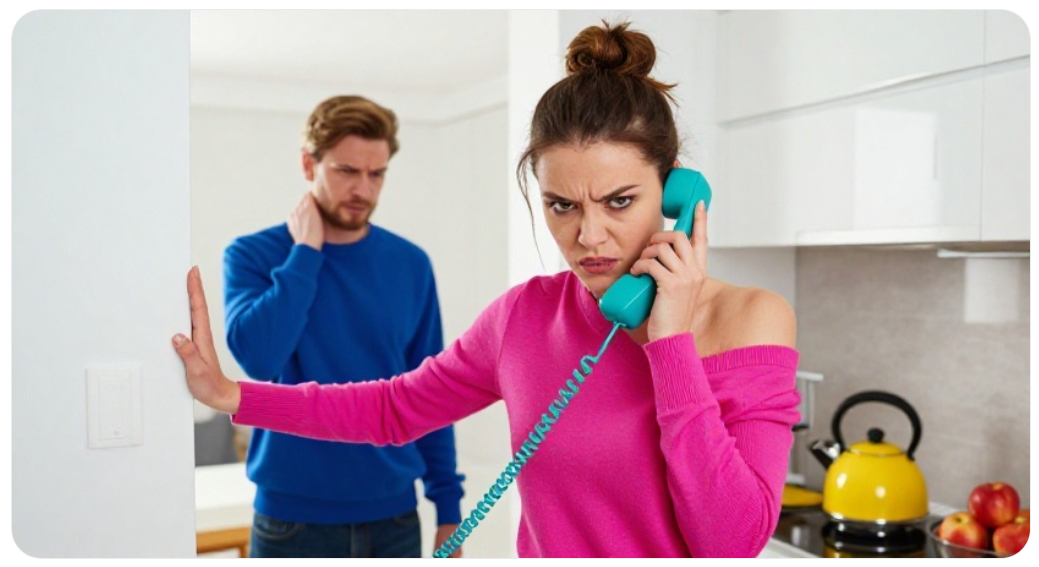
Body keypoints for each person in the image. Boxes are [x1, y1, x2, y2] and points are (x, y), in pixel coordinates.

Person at [176, 22, 799, 558]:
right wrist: (233, 395)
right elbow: (393, 408)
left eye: (619, 201)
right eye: (561, 205)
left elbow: (731, 543)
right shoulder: (524, 317)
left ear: (675, 193)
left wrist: (670, 347)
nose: (588, 236)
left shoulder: (752, 318)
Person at [219, 95, 464, 558]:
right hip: (291, 522)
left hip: (394, 519)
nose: (363, 190)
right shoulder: (252, 256)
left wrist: (449, 510)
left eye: (377, 174)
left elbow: (432, 393)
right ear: (308, 164)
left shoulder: (410, 264)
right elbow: (259, 360)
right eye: (347, 171)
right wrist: (305, 255)